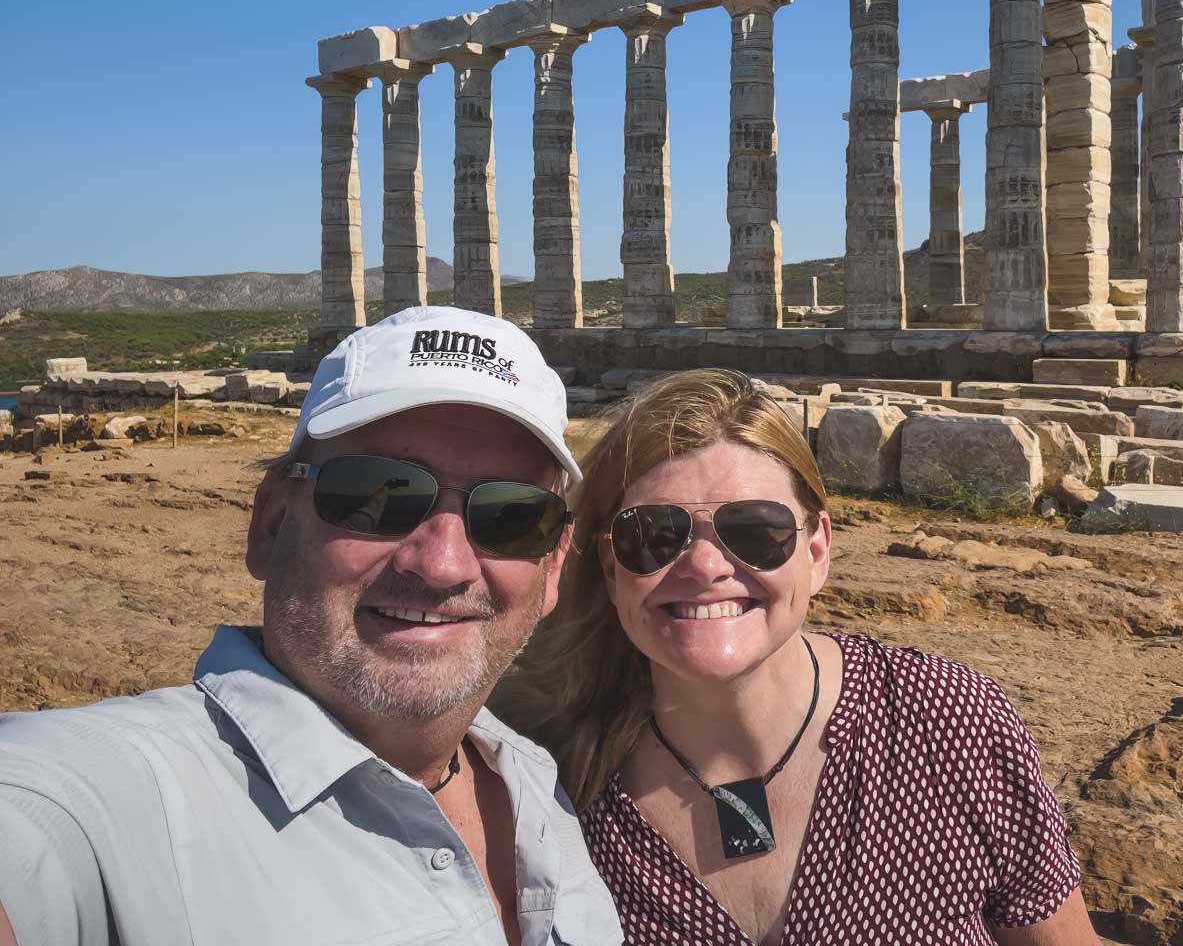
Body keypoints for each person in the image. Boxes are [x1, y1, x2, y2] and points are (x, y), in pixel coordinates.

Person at [0, 307, 622, 946]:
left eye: (513, 515)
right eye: (378, 493)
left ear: (552, 567)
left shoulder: (541, 784)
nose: (442, 565)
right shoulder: (110, 802)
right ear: (269, 525)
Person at [495, 369, 1101, 945]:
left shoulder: (950, 722)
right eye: (653, 534)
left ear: (816, 552)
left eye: (755, 529)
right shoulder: (538, 775)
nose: (706, 568)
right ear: (609, 567)